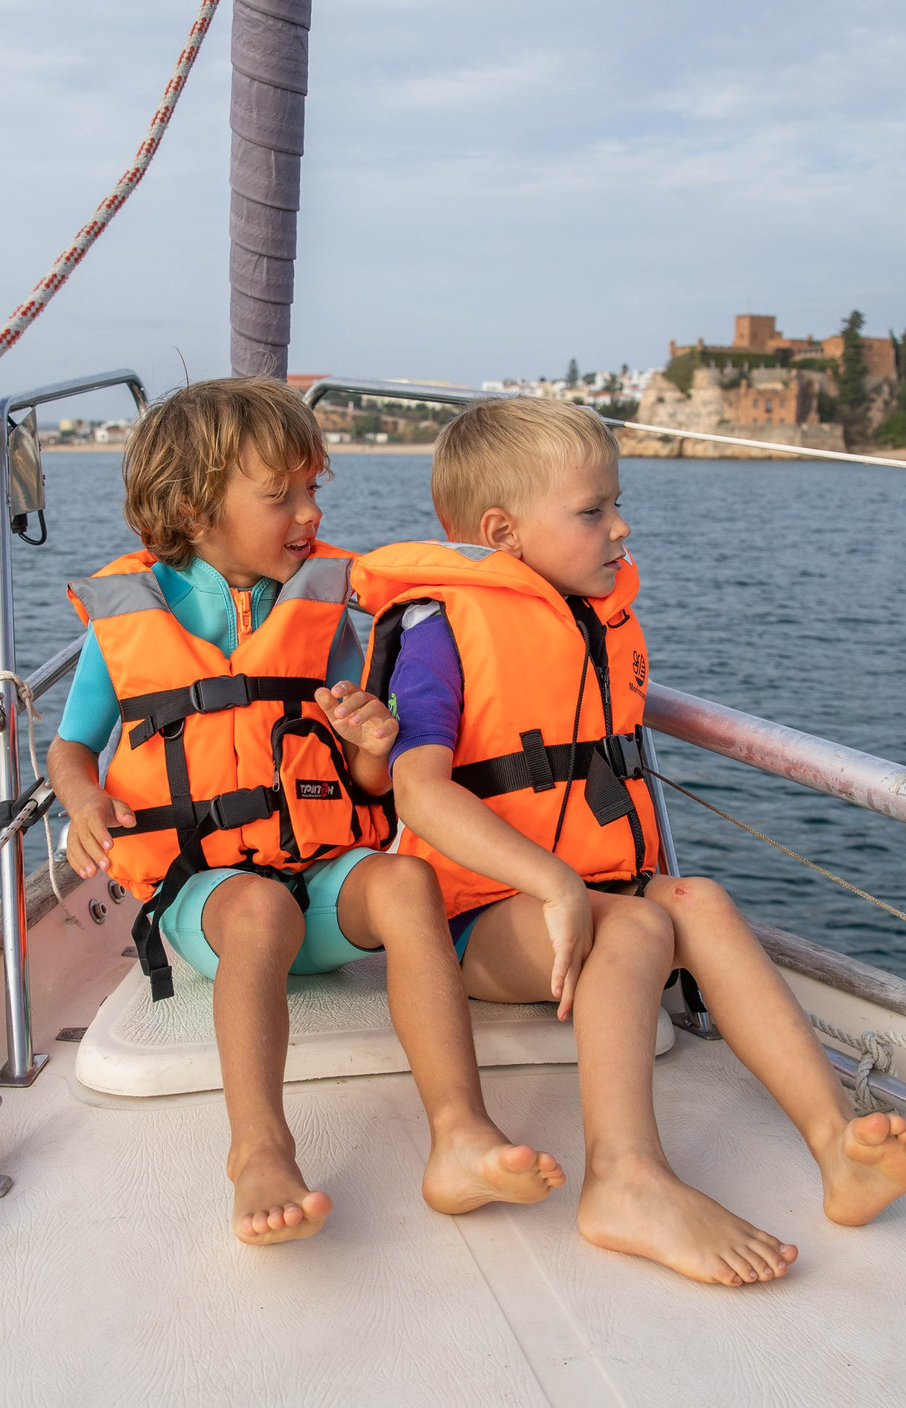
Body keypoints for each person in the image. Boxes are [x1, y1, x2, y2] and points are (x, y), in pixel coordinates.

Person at [355, 398, 906, 1287]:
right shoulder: (442, 630)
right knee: (629, 927)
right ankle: (624, 1177)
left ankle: (835, 1146)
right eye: (593, 511)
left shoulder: (595, 618)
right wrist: (551, 883)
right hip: (480, 922)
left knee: (698, 899)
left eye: (615, 503)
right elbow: (417, 786)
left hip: (593, 894)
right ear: (502, 532)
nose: (620, 527)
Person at [50, 377, 563, 1248]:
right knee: (259, 905)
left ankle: (461, 1134)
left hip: (317, 886)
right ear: (192, 506)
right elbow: (72, 745)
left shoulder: (323, 615)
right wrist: (85, 799)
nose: (306, 513)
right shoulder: (129, 616)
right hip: (210, 900)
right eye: (280, 494)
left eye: (313, 489)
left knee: (406, 879)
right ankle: (259, 1149)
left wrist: (372, 735)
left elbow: (365, 784)